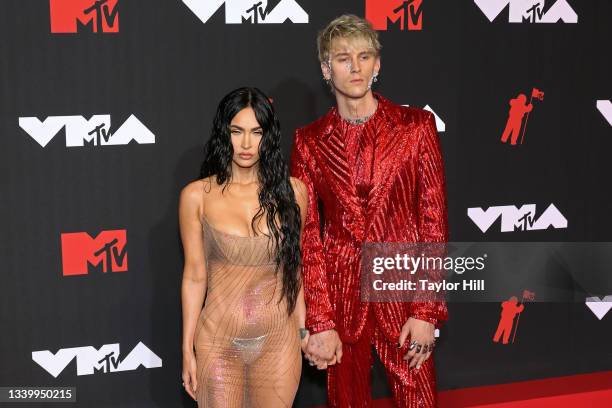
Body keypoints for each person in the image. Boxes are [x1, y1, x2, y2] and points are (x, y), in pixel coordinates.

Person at [290, 15, 449, 407]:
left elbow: (433, 219)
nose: (355, 67)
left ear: (377, 65)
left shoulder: (416, 127)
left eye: (364, 56)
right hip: (342, 298)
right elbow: (307, 238)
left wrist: (426, 309)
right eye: (344, 58)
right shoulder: (308, 142)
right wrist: (320, 321)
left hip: (403, 292)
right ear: (327, 69)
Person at [179, 87, 310, 406]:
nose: (247, 144)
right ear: (224, 134)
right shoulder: (197, 196)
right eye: (237, 131)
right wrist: (187, 349)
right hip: (217, 343)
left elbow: (295, 272)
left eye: (256, 132)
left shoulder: (294, 193)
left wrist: (304, 333)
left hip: (278, 342)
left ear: (269, 136)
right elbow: (195, 276)